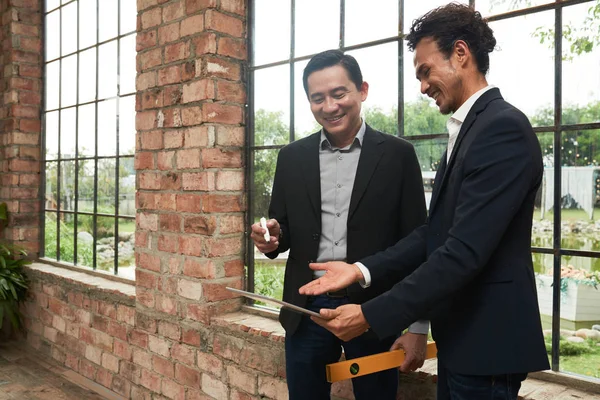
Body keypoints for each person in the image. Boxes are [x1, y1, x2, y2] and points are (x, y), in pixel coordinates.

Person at [299, 4, 550, 399]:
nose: (422, 86)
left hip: (488, 345)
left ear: (461, 54)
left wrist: (369, 314)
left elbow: (461, 252)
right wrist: (360, 270)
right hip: (466, 342)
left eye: (426, 71)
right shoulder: (472, 128)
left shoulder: (501, 128)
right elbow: (434, 233)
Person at [250, 49, 429, 400]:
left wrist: (419, 325)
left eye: (339, 93)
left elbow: (418, 244)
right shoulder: (291, 157)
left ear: (362, 90)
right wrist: (271, 239)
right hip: (305, 312)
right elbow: (281, 229)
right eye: (317, 98)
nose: (329, 106)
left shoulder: (398, 155)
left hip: (373, 309)